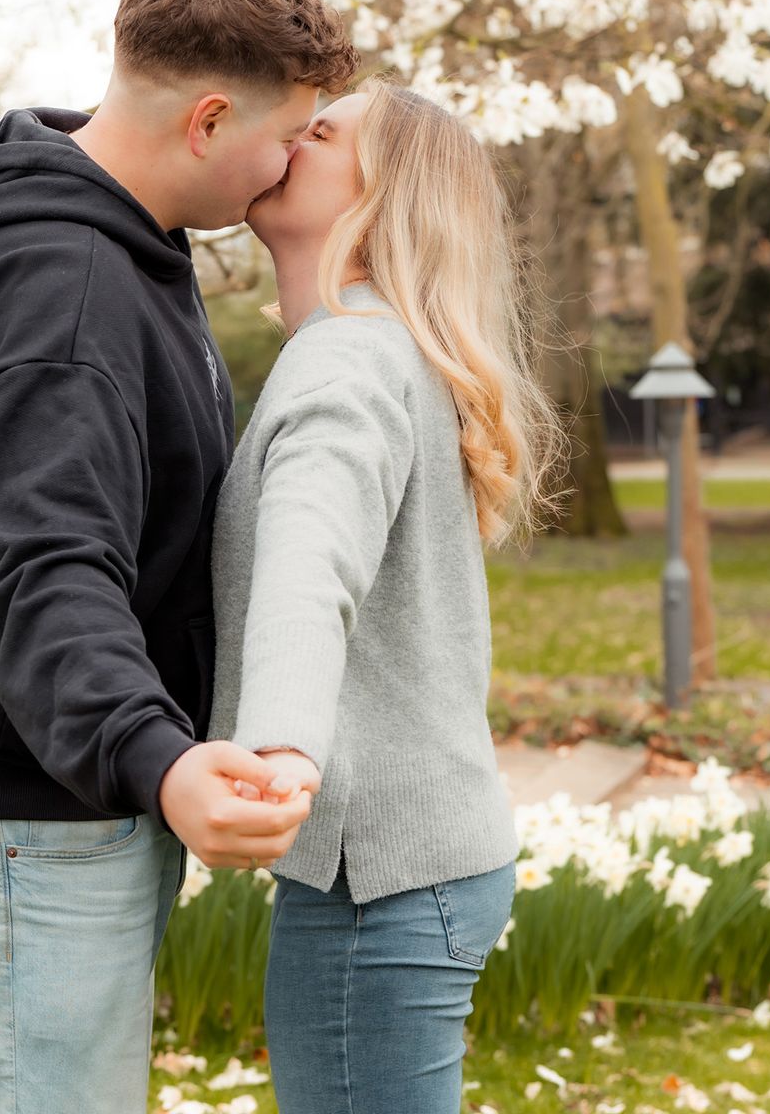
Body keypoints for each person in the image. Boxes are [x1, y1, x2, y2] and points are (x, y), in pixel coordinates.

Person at [0, 0, 358, 1111]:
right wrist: (159, 762)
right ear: (209, 118)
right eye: (284, 136)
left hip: (5, 785)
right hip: (3, 815)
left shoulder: (91, 230)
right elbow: (44, 566)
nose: (283, 169)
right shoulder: (71, 288)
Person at [210, 79, 562, 1113]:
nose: (284, 140)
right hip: (413, 863)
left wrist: (278, 750)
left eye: (319, 134)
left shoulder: (348, 358)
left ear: (382, 203)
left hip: (383, 883)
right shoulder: (385, 350)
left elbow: (307, 572)